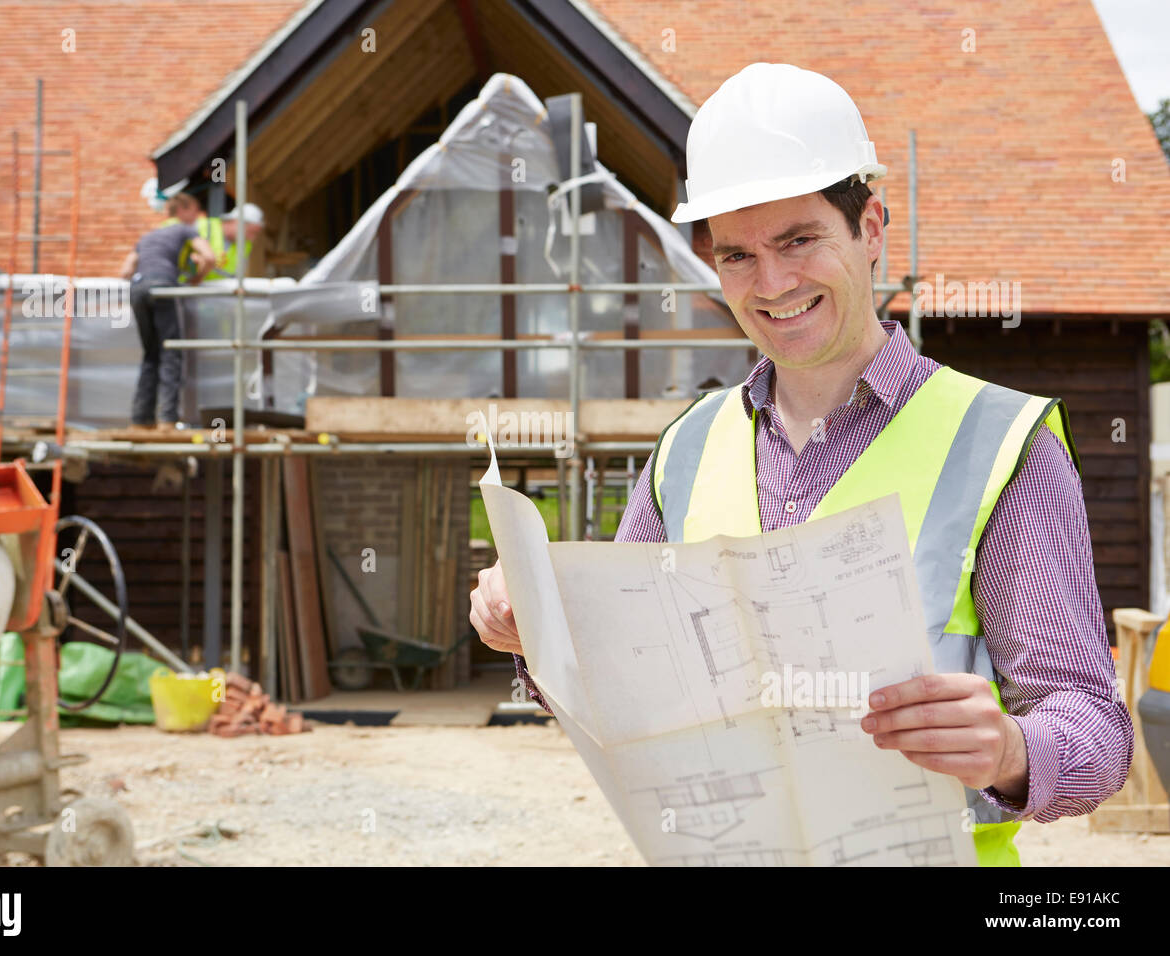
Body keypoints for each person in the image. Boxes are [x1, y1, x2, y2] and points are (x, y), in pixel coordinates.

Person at [469, 62, 1132, 866]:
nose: (772, 283)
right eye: (738, 255)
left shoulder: (999, 444)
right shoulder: (687, 448)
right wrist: (529, 625)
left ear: (872, 228)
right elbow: (618, 682)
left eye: (798, 241)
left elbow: (1097, 733)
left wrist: (1010, 750)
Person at [118, 192, 216, 427]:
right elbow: (209, 257)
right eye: (194, 211)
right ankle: (167, 419)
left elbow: (125, 271)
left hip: (138, 288)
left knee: (151, 353)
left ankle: (141, 419)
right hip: (162, 287)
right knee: (171, 351)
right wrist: (197, 278)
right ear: (182, 210)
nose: (196, 217)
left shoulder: (149, 236)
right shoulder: (185, 230)